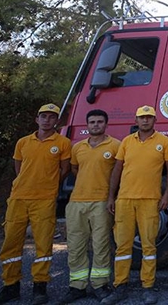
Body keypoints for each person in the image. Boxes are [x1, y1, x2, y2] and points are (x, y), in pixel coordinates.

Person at [0, 104, 72, 305]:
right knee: (11, 244)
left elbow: (64, 170)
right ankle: (10, 287)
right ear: (37, 119)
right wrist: (25, 183)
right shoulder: (23, 142)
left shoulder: (63, 143)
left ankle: (40, 288)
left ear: (57, 121)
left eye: (52, 117)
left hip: (44, 200)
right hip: (18, 198)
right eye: (44, 116)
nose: (47, 120)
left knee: (43, 245)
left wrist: (48, 185)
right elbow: (19, 167)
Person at [102, 106, 168, 305]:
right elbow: (117, 170)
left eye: (149, 118)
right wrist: (111, 197)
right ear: (136, 120)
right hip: (124, 200)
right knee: (122, 246)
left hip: (150, 200)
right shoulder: (126, 141)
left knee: (148, 246)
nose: (145, 121)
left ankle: (148, 286)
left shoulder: (163, 142)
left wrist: (166, 194)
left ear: (155, 120)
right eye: (142, 118)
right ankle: (120, 286)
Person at [60, 109, 121, 304]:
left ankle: (100, 285)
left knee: (101, 244)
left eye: (99, 122)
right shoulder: (78, 147)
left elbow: (119, 172)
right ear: (87, 125)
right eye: (92, 122)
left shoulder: (116, 146)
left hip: (101, 201)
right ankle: (77, 287)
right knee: (76, 246)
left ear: (106, 124)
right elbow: (75, 168)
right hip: (77, 202)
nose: (96, 125)